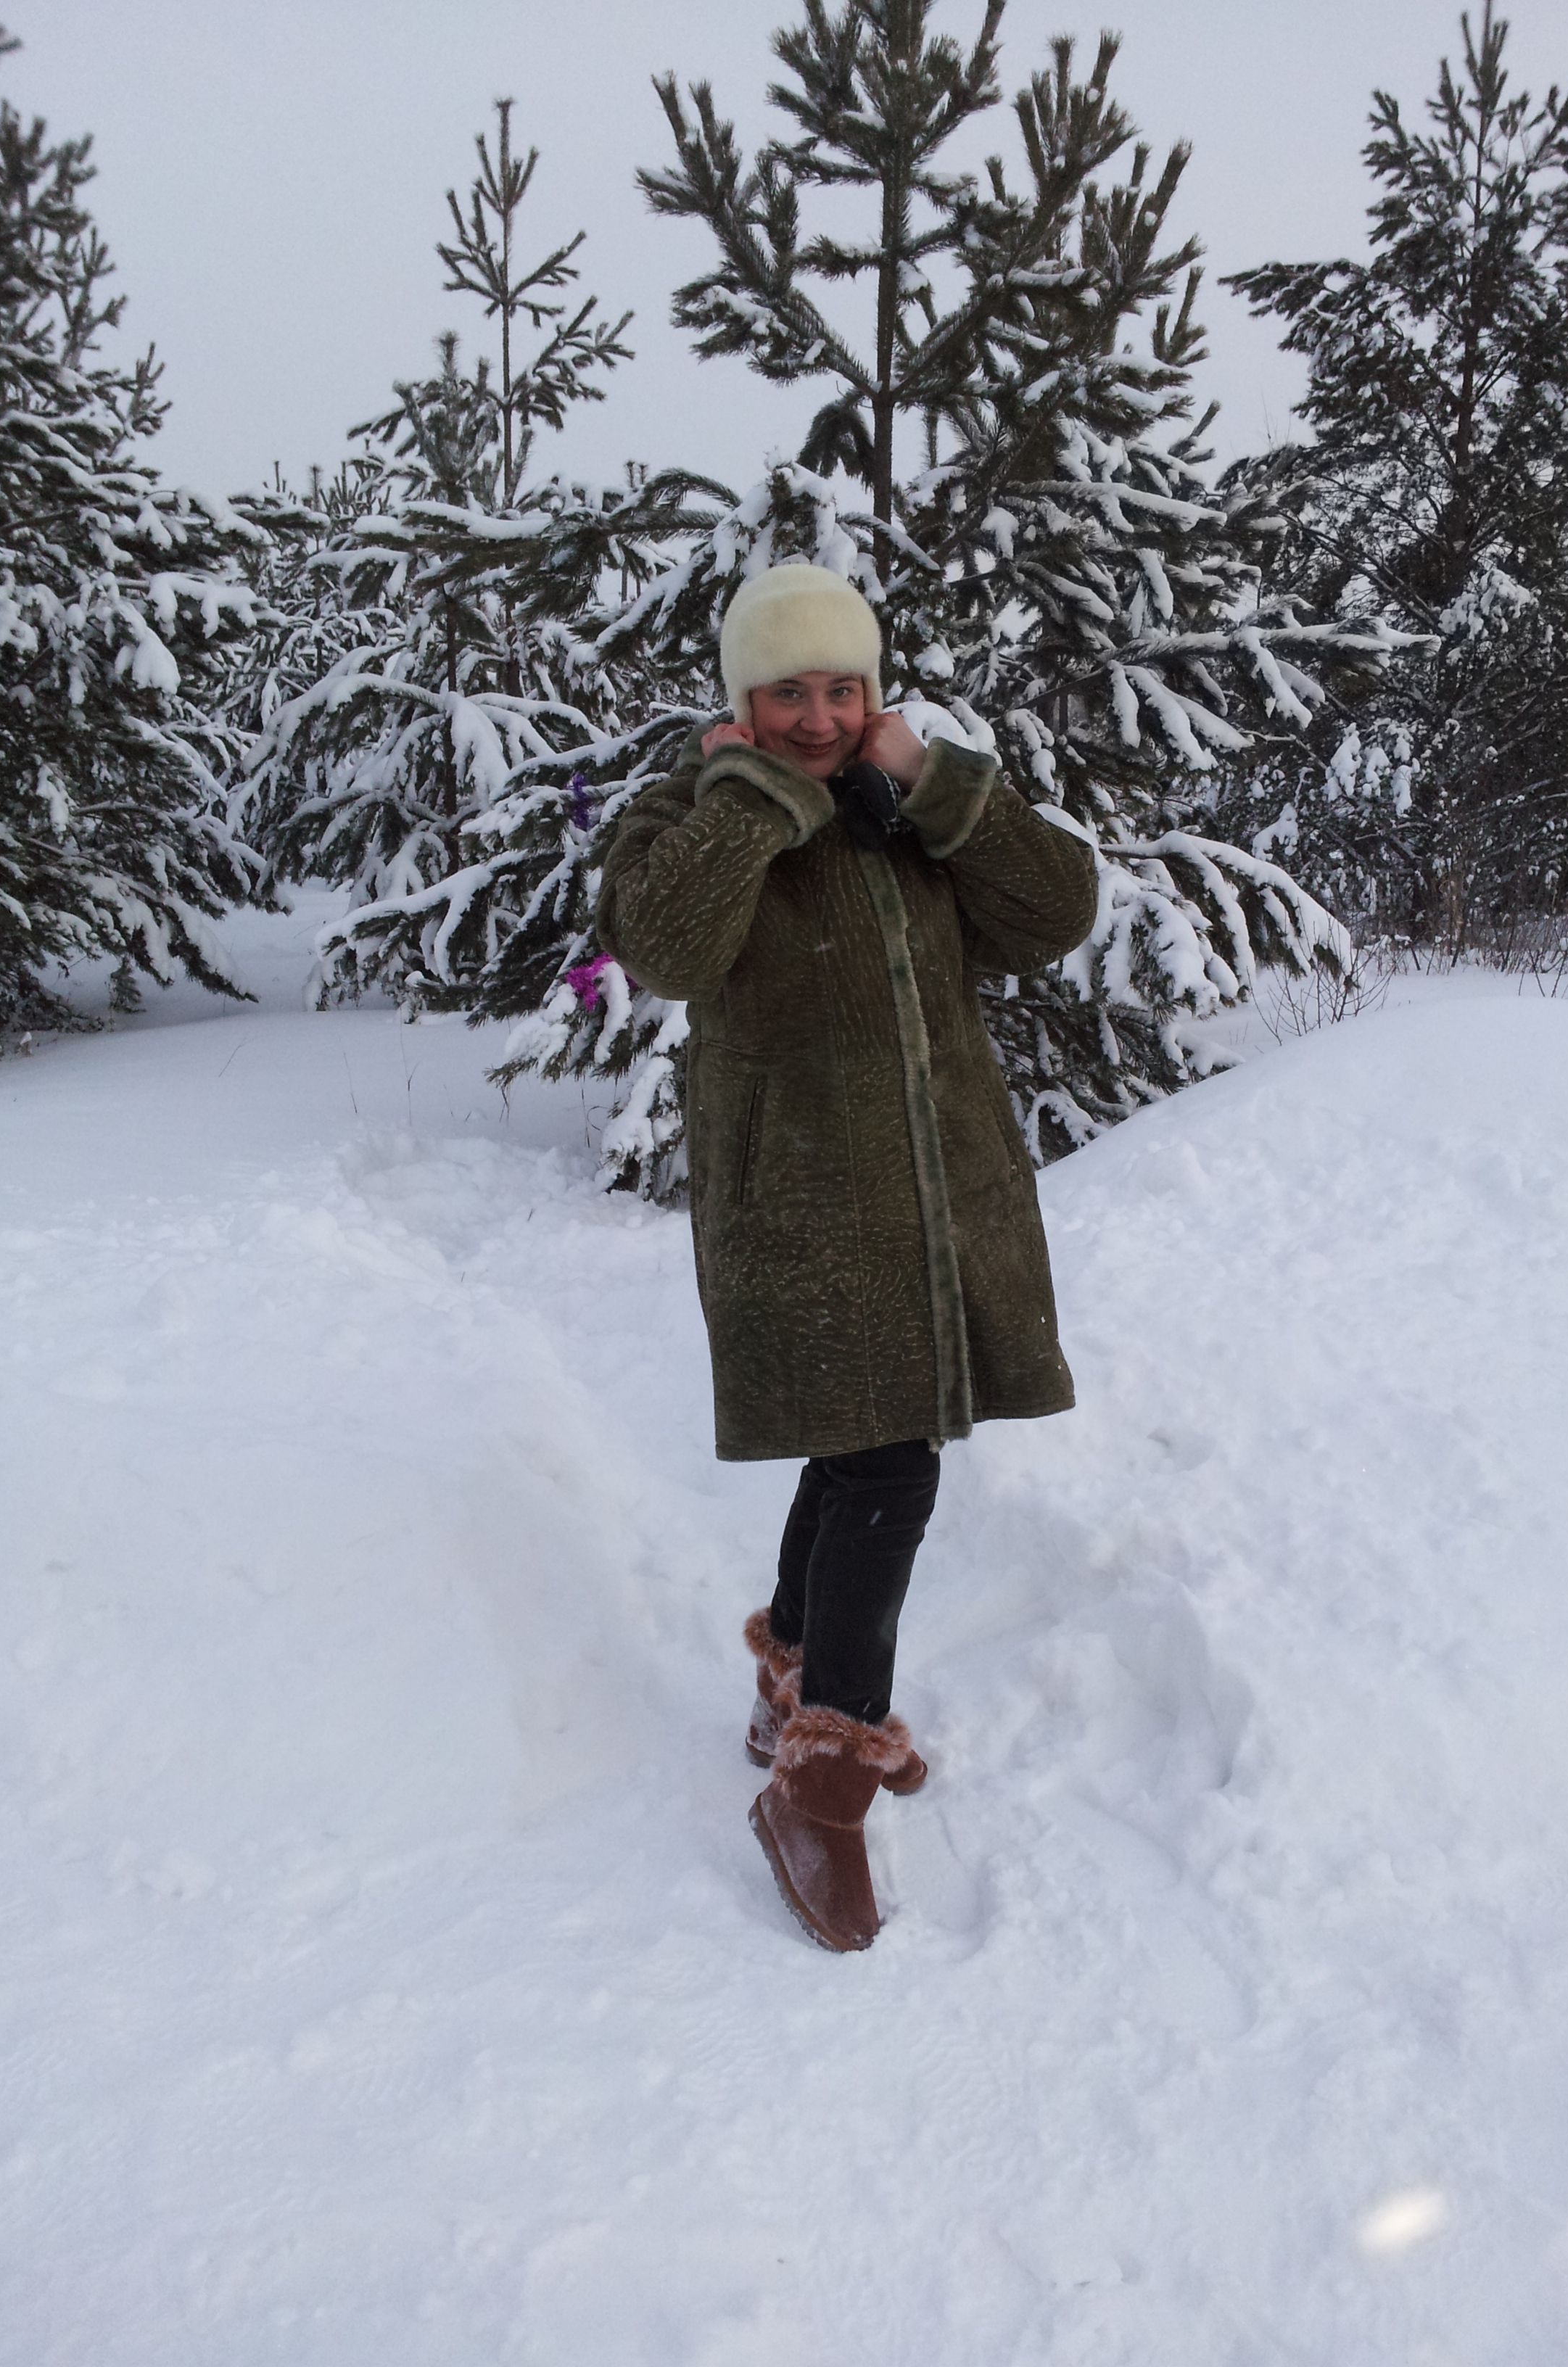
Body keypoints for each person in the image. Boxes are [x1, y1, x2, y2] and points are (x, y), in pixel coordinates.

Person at [595, 564, 1097, 1951]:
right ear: (739, 701)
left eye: (840, 688)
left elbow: (1054, 915)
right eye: (785, 691)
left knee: (861, 1442)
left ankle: (792, 1690)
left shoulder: (902, 818)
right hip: (803, 1216)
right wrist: (751, 803)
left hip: (936, 1205)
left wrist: (936, 783)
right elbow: (671, 948)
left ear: (872, 696)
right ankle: (823, 1780)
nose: (816, 717)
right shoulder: (689, 818)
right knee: (890, 1459)